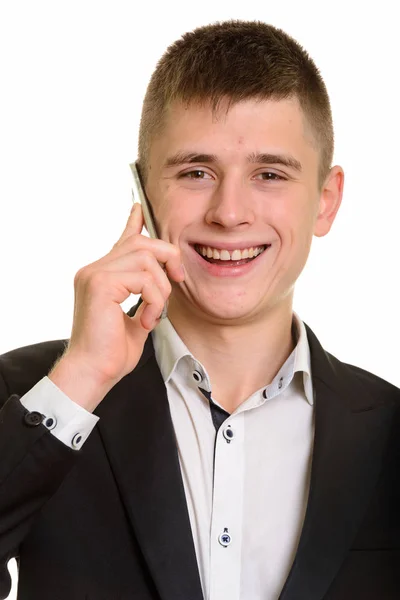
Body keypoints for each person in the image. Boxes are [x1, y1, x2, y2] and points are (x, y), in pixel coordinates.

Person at [0, 19, 399, 600]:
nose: (230, 212)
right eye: (195, 172)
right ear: (142, 192)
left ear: (326, 200)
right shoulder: (33, 398)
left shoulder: (390, 430)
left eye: (269, 174)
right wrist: (81, 379)